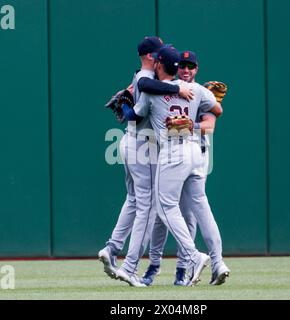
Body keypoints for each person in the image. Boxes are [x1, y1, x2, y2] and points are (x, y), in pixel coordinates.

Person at [98, 37, 193, 287]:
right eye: (159, 54)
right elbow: (148, 86)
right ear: (151, 57)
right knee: (147, 206)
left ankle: (112, 247)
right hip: (143, 145)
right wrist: (178, 89)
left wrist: (129, 108)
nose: (163, 58)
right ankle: (130, 267)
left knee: (133, 200)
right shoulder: (144, 77)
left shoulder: (147, 79)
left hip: (134, 141)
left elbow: (137, 108)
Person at [126, 46, 220, 286]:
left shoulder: (156, 91)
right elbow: (217, 109)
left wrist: (125, 104)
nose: (186, 69)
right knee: (189, 210)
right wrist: (206, 104)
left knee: (168, 209)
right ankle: (211, 262)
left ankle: (191, 258)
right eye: (183, 66)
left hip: (174, 153)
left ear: (159, 65)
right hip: (194, 154)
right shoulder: (196, 90)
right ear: (176, 68)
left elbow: (133, 117)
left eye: (190, 66)